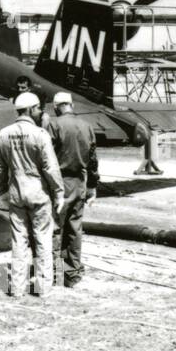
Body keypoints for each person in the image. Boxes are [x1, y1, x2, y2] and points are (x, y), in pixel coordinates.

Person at [0, 91, 64, 297]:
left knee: (19, 242)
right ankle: (43, 288)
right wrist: (59, 193)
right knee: (43, 240)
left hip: (16, 193)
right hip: (38, 194)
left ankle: (17, 288)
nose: (40, 112)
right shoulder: (40, 134)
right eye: (39, 109)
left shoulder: (4, 134)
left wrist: (3, 191)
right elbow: (51, 168)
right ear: (32, 109)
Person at [48, 92, 98, 287]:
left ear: (56, 106)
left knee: (53, 229)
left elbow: (47, 158)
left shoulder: (53, 125)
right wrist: (92, 186)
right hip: (80, 182)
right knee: (75, 229)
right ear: (71, 105)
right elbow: (93, 161)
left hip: (59, 183)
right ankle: (73, 275)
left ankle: (50, 274)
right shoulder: (87, 126)